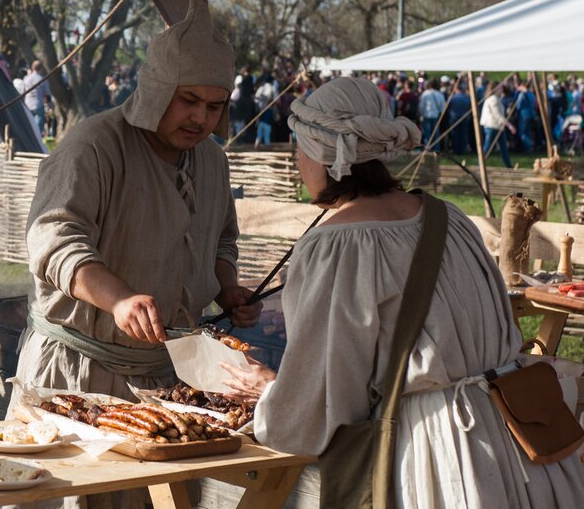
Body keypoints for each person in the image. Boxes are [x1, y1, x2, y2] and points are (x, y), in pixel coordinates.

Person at [220, 76, 584, 508]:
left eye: (300, 146)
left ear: (324, 153)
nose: (299, 160)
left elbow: (331, 390)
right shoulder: (450, 218)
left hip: (442, 454)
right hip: (522, 440)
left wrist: (272, 393)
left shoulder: (336, 244)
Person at [12, 0, 261, 410]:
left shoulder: (213, 162)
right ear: (158, 89)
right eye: (189, 100)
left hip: (167, 379)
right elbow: (53, 242)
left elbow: (221, 241)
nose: (200, 117)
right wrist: (119, 299)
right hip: (74, 374)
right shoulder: (93, 146)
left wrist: (227, 288)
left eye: (215, 105)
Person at [481, 81, 517, 168]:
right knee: (487, 148)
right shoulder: (493, 99)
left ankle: (509, 166)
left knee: (503, 148)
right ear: (496, 89)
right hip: (492, 127)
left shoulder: (497, 98)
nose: (502, 89)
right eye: (500, 87)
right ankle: (480, 166)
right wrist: (509, 126)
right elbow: (497, 115)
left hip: (498, 127)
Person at [22, 60, 52, 138]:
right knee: (38, 127)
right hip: (38, 104)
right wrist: (49, 104)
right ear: (41, 68)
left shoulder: (26, 78)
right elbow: (47, 93)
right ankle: (37, 139)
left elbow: (23, 91)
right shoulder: (42, 79)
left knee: (29, 124)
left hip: (28, 104)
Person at [418, 78, 445, 151]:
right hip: (435, 116)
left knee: (427, 135)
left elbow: (421, 106)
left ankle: (428, 150)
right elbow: (442, 107)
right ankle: (436, 150)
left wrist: (421, 114)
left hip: (426, 116)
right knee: (436, 135)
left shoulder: (425, 94)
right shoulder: (440, 94)